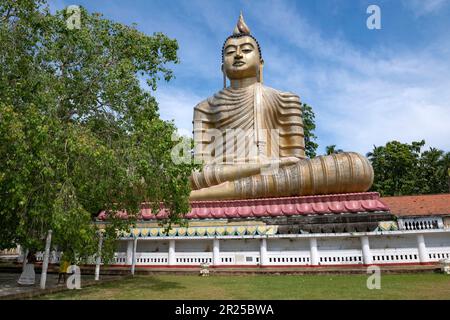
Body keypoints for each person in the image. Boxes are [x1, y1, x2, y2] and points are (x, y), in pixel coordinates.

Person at [189, 13, 373, 200]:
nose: (237, 55)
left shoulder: (285, 99)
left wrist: (272, 166)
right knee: (175, 176)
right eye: (230, 52)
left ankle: (203, 196)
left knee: (357, 167)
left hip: (276, 173)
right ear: (222, 68)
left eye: (246, 50)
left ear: (261, 64)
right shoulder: (205, 107)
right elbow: (197, 170)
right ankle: (223, 191)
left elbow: (296, 163)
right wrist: (259, 167)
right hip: (228, 175)